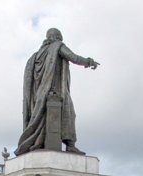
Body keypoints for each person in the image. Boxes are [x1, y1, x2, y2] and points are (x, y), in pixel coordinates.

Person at [15, 28, 99, 156]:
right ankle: (70, 145)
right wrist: (89, 61)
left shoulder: (35, 56)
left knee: (44, 117)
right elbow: (73, 57)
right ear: (58, 37)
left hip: (39, 95)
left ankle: (39, 142)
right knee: (68, 112)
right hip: (56, 90)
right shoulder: (57, 46)